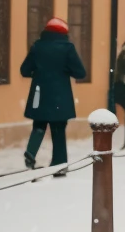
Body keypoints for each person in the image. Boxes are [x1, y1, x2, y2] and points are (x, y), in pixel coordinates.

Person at [20, 17, 87, 172]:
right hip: (60, 96)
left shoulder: (37, 46)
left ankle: (31, 153)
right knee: (58, 130)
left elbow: (24, 70)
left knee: (39, 125)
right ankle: (59, 164)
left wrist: (40, 73)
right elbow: (80, 72)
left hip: (40, 94)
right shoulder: (67, 48)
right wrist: (64, 71)